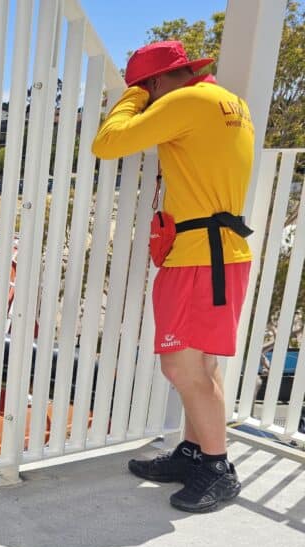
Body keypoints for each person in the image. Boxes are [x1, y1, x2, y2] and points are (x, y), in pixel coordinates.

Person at [92, 41, 255, 513]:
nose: (148, 99)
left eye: (147, 89)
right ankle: (195, 452)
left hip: (199, 257)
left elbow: (109, 142)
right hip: (222, 254)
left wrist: (133, 97)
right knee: (201, 367)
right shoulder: (229, 103)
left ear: (158, 83)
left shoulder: (185, 101)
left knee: (180, 367)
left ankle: (218, 467)